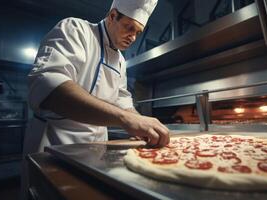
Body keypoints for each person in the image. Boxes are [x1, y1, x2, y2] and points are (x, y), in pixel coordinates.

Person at [20, 0, 169, 198]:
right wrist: (125, 119)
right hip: (54, 143)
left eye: (138, 32)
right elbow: (50, 86)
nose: (132, 37)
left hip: (97, 148)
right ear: (113, 16)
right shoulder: (75, 29)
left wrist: (140, 123)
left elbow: (122, 100)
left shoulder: (121, 62)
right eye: (129, 28)